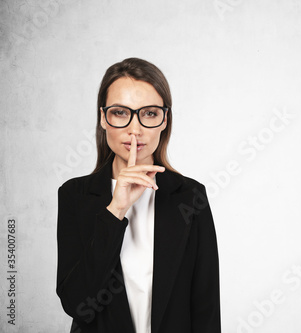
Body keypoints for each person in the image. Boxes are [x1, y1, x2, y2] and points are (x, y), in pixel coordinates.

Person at [56, 58, 221, 333]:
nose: (135, 129)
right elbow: (77, 304)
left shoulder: (190, 197)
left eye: (149, 113)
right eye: (120, 112)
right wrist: (116, 209)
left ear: (164, 120)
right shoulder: (75, 195)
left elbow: (205, 309)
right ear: (103, 118)